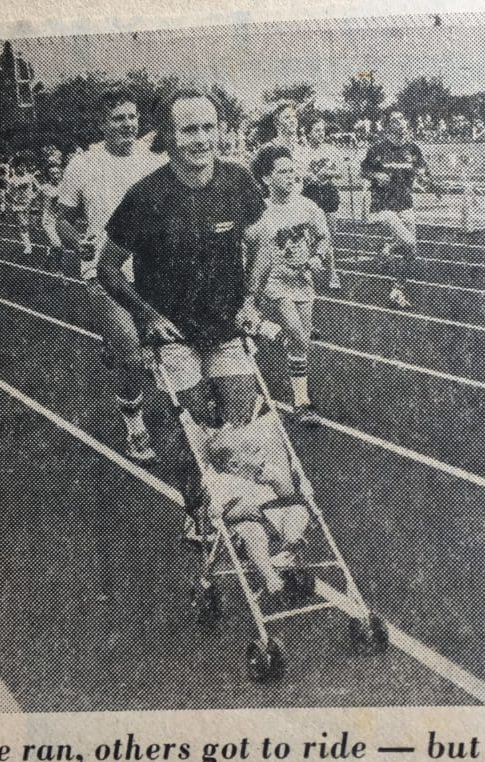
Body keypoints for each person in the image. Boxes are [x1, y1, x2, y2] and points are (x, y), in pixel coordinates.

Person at [96, 86, 267, 532]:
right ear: (169, 137)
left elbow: (262, 242)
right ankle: (196, 509)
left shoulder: (238, 181)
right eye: (189, 130)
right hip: (173, 335)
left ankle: (236, 509)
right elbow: (108, 268)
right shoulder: (146, 196)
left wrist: (251, 299)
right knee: (192, 431)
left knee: (240, 427)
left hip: (227, 327)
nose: (201, 139)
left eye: (209, 128)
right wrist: (146, 315)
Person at [56, 87, 168, 461]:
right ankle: (134, 425)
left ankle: (114, 345)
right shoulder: (83, 165)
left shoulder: (151, 161)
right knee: (134, 359)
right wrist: (77, 243)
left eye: (132, 117)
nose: (128, 124)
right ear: (103, 123)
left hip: (152, 271)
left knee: (167, 345)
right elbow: (63, 218)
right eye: (119, 118)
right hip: (104, 272)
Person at [249, 145, 331, 426]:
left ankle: (300, 401)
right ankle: (303, 401)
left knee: (301, 340)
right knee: (296, 331)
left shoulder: (306, 206)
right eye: (282, 172)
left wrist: (319, 257)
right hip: (272, 282)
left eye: (292, 171)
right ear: (266, 179)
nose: (289, 176)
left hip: (302, 281)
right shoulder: (258, 211)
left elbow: (323, 237)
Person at [202, 417, 311, 597]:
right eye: (252, 451)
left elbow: (289, 496)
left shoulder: (266, 471)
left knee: (298, 510)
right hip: (246, 526)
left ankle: (290, 545)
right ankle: (270, 577)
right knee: (253, 532)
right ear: (234, 465)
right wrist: (239, 511)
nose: (260, 452)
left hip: (276, 518)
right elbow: (219, 513)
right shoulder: (224, 482)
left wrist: (277, 481)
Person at [360, 110, 430, 309]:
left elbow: (422, 171)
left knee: (412, 251)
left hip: (405, 204)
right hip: (383, 206)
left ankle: (390, 254)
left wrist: (424, 177)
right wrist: (375, 176)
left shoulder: (413, 149)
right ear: (388, 126)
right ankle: (395, 289)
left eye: (401, 118)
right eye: (394, 120)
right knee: (407, 241)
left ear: (406, 123)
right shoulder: (378, 149)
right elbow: (363, 171)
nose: (399, 122)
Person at [300, 118, 342, 290]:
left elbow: (339, 172)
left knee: (330, 235)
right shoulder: (302, 152)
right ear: (309, 132)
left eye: (322, 130)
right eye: (317, 130)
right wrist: (309, 176)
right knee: (312, 235)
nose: (321, 133)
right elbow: (301, 174)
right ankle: (326, 272)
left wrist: (328, 173)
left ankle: (331, 271)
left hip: (328, 192)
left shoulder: (331, 150)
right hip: (311, 194)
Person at [6, 157, 38, 255]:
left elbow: (38, 188)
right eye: (19, 167)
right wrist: (13, 201)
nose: (22, 168)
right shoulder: (12, 180)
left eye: (23, 166)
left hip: (30, 204)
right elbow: (7, 193)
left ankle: (29, 240)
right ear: (15, 168)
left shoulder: (30, 177)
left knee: (32, 225)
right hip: (18, 205)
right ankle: (27, 246)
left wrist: (33, 196)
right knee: (23, 224)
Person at [38, 163, 64, 273]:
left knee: (56, 245)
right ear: (49, 175)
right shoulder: (46, 188)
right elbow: (46, 207)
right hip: (49, 220)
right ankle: (59, 270)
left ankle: (46, 262)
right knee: (58, 245)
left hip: (61, 220)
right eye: (52, 173)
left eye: (57, 172)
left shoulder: (64, 186)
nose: (55, 175)